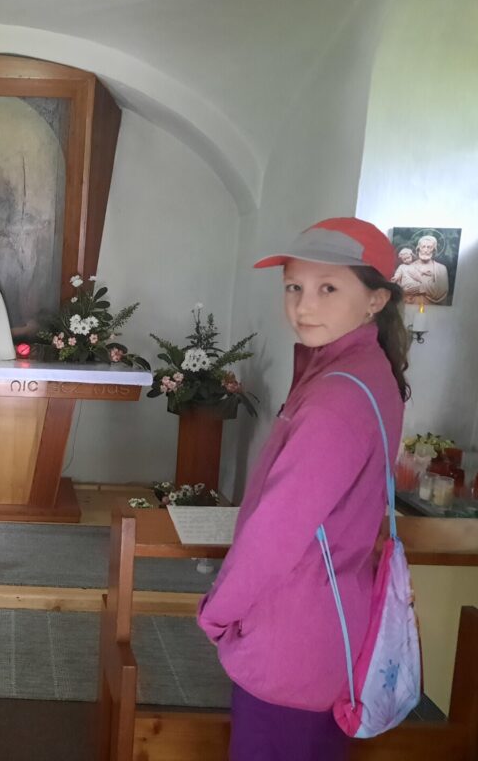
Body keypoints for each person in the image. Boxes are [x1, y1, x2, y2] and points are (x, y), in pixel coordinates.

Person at [197, 217, 410, 761]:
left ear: (376, 300)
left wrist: (219, 611)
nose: (304, 305)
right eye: (294, 286)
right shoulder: (365, 371)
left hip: (292, 638)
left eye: (328, 288)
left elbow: (277, 530)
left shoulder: (335, 398)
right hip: (326, 623)